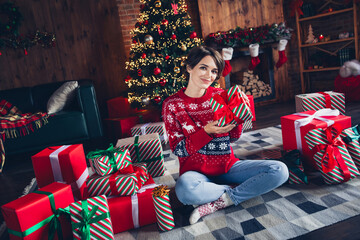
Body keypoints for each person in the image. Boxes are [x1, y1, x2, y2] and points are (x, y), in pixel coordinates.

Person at [162, 46, 289, 224]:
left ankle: (223, 200)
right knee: (184, 191)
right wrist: (206, 132)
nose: (209, 76)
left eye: (214, 71)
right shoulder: (172, 104)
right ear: (189, 68)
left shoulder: (222, 95)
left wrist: (239, 119)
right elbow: (179, 149)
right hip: (195, 174)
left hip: (228, 167)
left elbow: (233, 138)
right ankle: (241, 189)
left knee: (280, 171)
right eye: (203, 68)